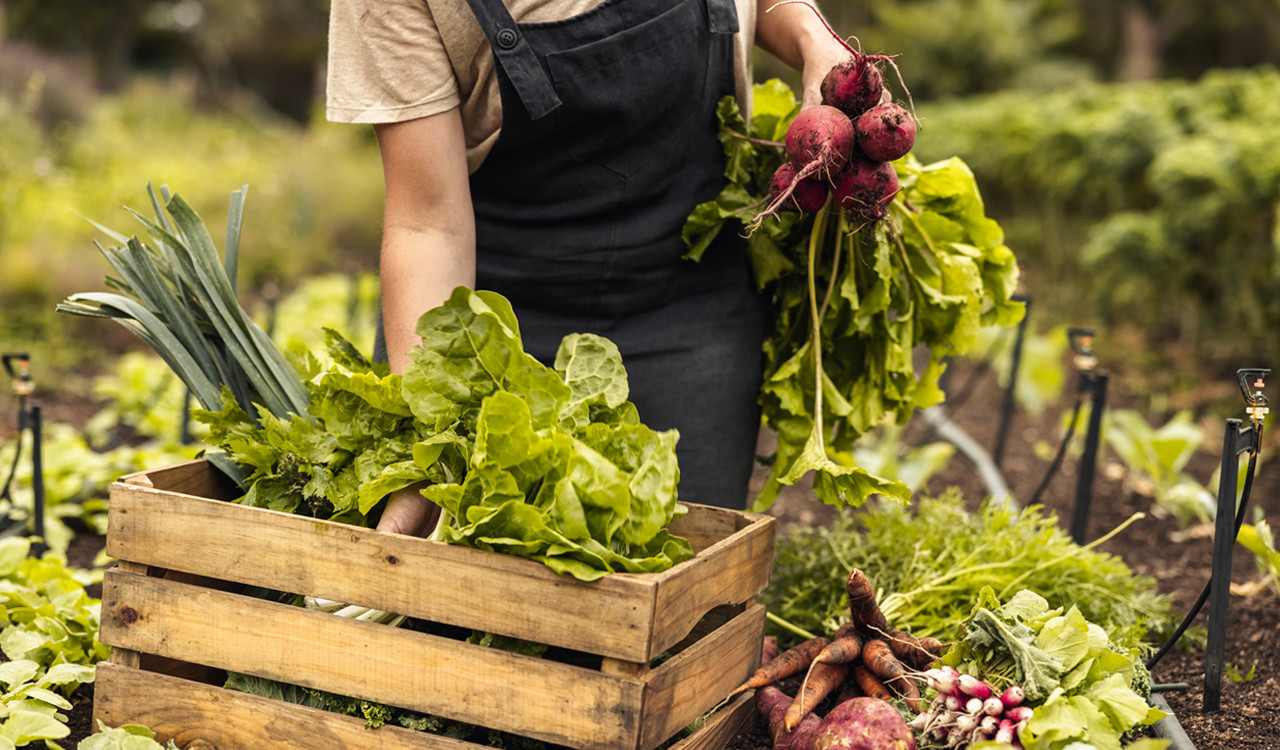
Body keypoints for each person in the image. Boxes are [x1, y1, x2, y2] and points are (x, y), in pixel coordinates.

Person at [326, 0, 849, 534]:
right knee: (462, 600)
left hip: (694, 303)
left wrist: (812, 37)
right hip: (493, 334)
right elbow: (428, 226)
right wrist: (427, 438)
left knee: (683, 586)